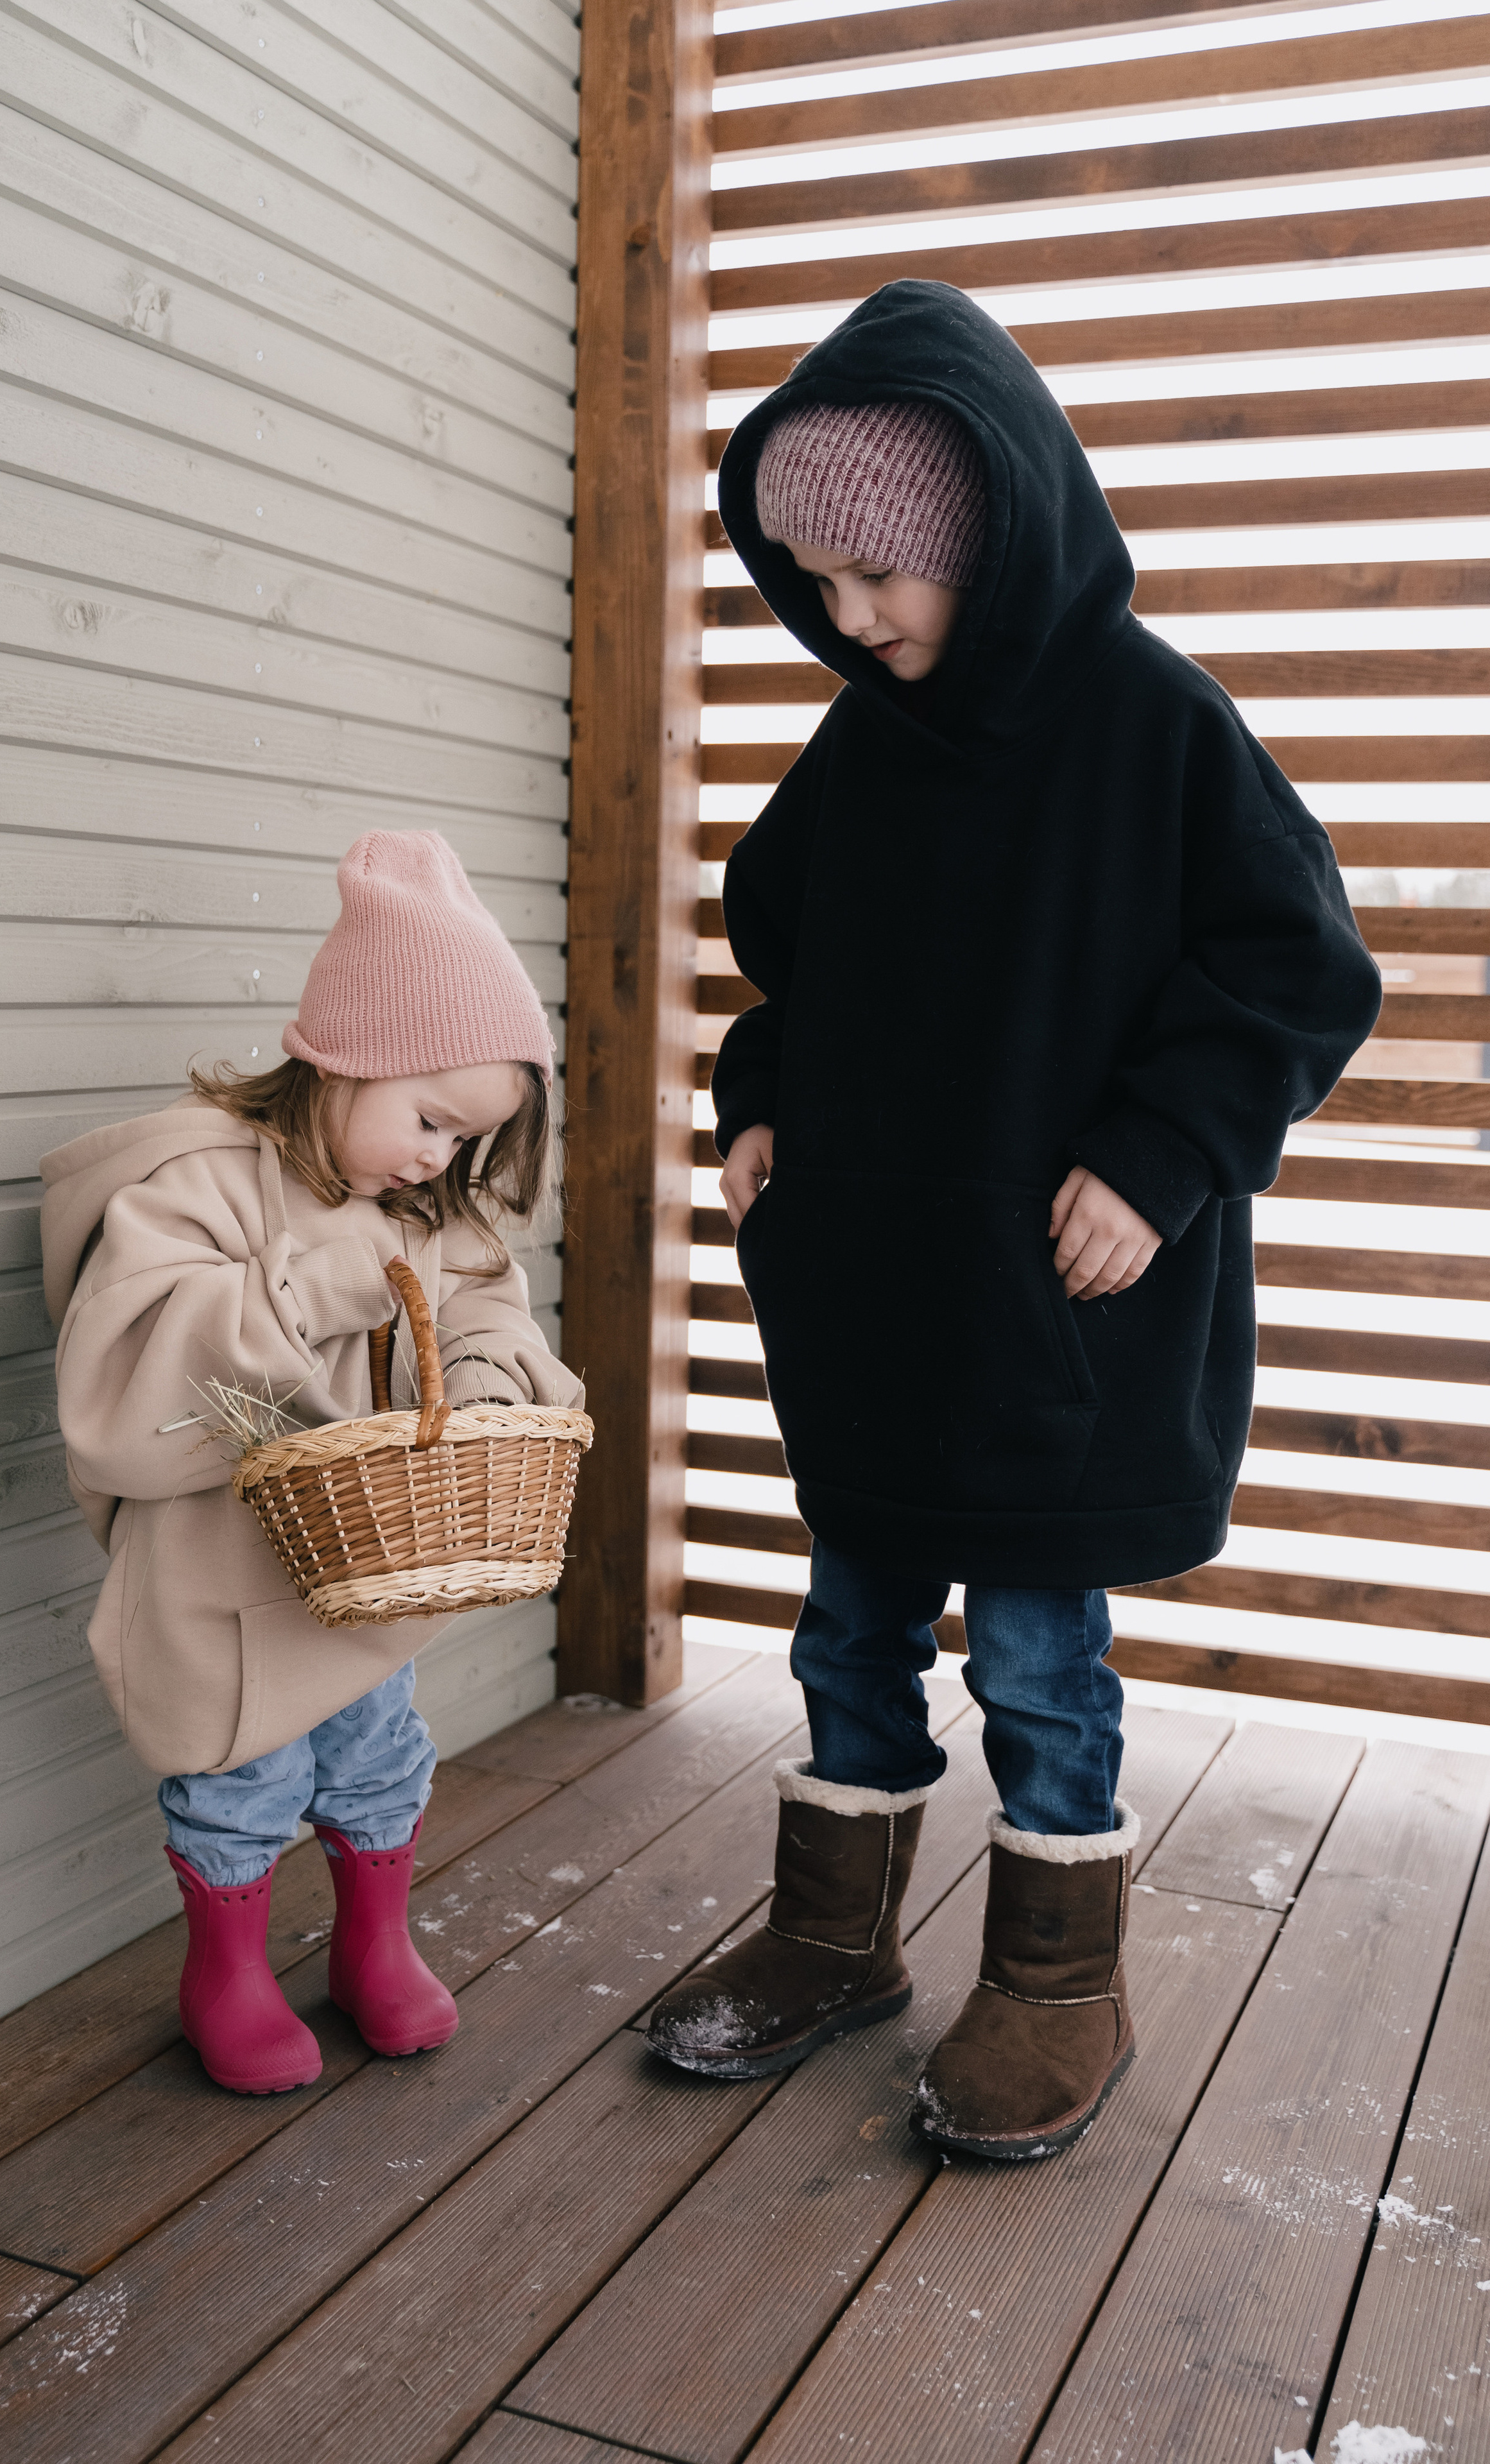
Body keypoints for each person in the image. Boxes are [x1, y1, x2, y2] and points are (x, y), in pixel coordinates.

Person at [647, 280, 1380, 2159]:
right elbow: (786, 966)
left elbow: (1296, 970)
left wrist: (1163, 1156)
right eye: (810, 581)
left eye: (878, 576)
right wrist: (765, 1104)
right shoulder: (859, 751)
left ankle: (1060, 1983)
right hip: (882, 1301)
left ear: (985, 532)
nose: (847, 616)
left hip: (1059, 1301)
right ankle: (836, 1938)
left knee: (1041, 1660)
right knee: (846, 1634)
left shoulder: (1154, 728)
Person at [42, 832, 584, 2096]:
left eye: (463, 1139)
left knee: (376, 1750)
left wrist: (497, 1380)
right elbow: (132, 1355)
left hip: (361, 1573)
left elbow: (489, 1311)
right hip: (218, 1571)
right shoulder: (201, 1182)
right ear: (344, 1057)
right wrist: (326, 1277)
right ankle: (224, 1975)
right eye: (427, 1118)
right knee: (239, 1773)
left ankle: (371, 1946)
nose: (434, 1159)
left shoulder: (420, 1210)